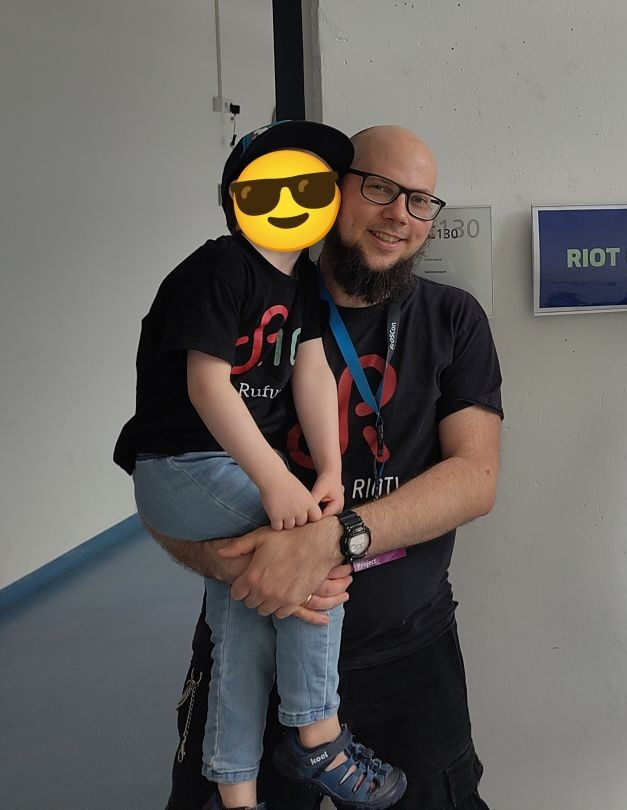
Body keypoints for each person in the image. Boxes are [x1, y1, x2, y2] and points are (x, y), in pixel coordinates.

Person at [154, 125, 504, 810]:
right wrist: (233, 565)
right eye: (379, 188)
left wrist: (331, 539)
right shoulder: (236, 297)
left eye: (421, 200)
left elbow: (476, 478)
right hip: (251, 646)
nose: (400, 214)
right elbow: (166, 482)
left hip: (409, 656)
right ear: (329, 191)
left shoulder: (454, 319)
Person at [115, 120, 407, 810]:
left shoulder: (302, 282)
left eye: (309, 187)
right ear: (236, 196)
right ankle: (317, 733)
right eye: (272, 186)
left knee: (242, 622)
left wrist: (329, 469)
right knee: (316, 556)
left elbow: (310, 373)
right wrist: (281, 483)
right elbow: (206, 384)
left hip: (224, 471)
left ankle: (235, 788)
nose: (291, 200)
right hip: (181, 464)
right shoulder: (219, 267)